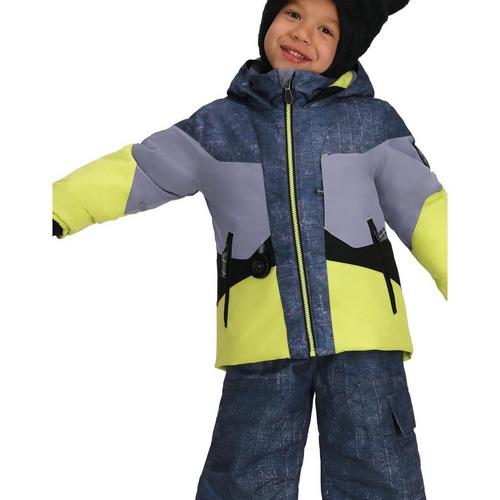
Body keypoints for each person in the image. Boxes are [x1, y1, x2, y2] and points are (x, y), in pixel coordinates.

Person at [52, 0, 447, 497]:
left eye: (326, 29)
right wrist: (54, 208)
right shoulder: (218, 128)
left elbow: (427, 212)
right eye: (293, 14)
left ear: (345, 49)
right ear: (269, 20)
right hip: (262, 339)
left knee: (378, 471)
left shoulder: (373, 124)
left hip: (364, 339)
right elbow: (139, 170)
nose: (303, 33)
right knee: (244, 474)